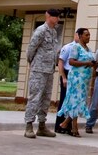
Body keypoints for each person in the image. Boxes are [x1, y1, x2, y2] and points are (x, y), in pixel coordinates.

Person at [24, 8, 60, 139]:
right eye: (54, 16)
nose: (57, 19)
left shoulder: (54, 32)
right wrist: (33, 63)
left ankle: (42, 126)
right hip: (38, 69)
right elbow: (31, 49)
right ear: (48, 16)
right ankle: (28, 125)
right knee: (35, 97)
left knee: (46, 98)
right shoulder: (40, 31)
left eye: (58, 16)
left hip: (49, 70)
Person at [57, 28, 97, 137]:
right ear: (79, 36)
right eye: (86, 35)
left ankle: (66, 123)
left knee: (79, 101)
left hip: (84, 80)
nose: (88, 37)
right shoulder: (76, 47)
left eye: (89, 35)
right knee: (76, 100)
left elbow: (90, 62)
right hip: (76, 78)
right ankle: (73, 126)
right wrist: (87, 63)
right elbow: (71, 61)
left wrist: (93, 64)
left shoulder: (88, 49)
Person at [55, 30, 79, 134]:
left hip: (77, 76)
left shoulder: (82, 49)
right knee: (64, 100)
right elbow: (60, 62)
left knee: (74, 102)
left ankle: (69, 126)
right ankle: (59, 126)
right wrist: (63, 77)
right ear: (76, 35)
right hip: (67, 74)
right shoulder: (68, 47)